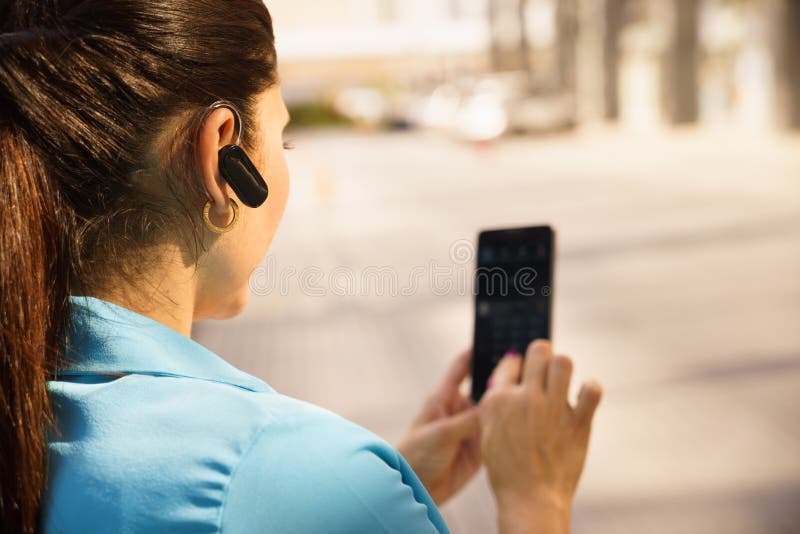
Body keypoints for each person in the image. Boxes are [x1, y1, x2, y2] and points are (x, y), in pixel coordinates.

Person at [0, 1, 602, 533]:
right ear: (221, 154)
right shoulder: (286, 470)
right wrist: (536, 501)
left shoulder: (27, 405)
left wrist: (384, 493)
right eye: (283, 141)